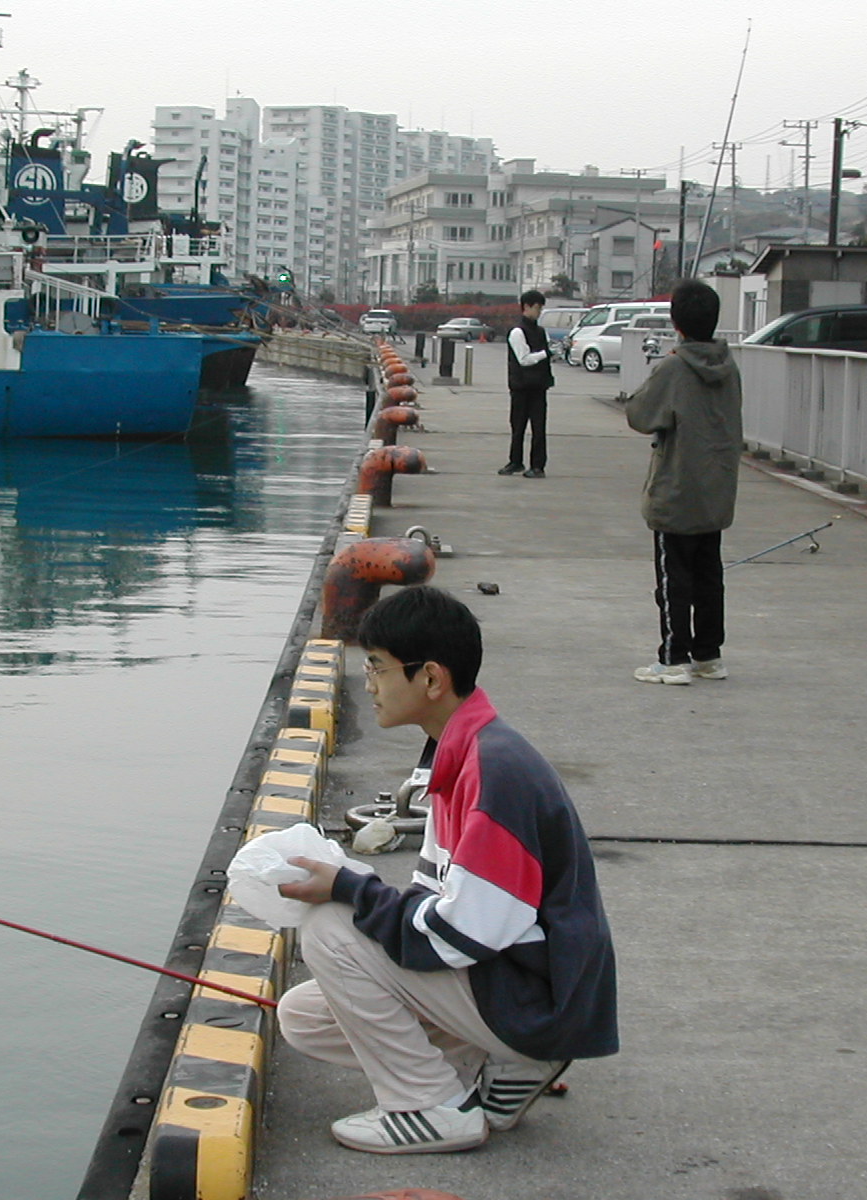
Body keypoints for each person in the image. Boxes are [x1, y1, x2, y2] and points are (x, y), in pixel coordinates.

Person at [275, 586, 618, 1154]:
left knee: (330, 929)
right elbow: (440, 905)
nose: (369, 684)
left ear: (431, 679)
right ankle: (502, 1064)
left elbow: (462, 934)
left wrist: (346, 885)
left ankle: (430, 1104)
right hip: (523, 982)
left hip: (540, 998)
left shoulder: (494, 772)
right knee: (304, 1016)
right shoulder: (459, 750)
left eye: (379, 669)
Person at [623, 279, 743, 685]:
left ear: (676, 322)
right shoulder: (730, 367)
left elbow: (640, 413)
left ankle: (674, 656)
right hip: (716, 489)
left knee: (673, 577)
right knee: (709, 574)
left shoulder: (674, 366)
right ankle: (709, 654)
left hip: (677, 490)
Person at [498, 289, 555, 478]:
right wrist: (546, 353)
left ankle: (538, 466)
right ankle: (516, 462)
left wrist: (553, 351)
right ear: (526, 307)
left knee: (539, 428)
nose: (539, 312)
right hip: (521, 387)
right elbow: (524, 359)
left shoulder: (541, 331)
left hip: (539, 386)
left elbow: (545, 354)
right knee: (518, 426)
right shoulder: (517, 332)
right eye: (537, 307)